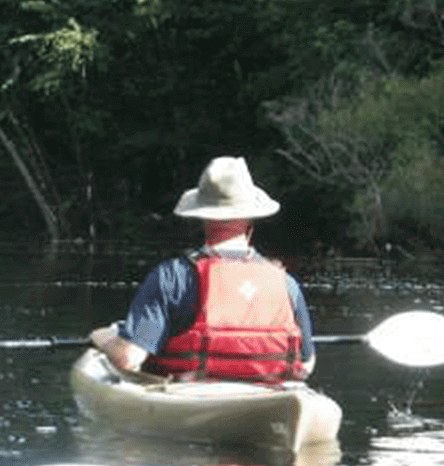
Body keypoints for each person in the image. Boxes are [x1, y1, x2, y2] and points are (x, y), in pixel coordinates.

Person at [90, 156, 316, 382]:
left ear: (203, 216)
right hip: (269, 397)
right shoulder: (286, 284)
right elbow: (306, 363)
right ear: (250, 220)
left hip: (189, 396)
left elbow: (129, 358)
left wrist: (103, 337)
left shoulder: (172, 277)